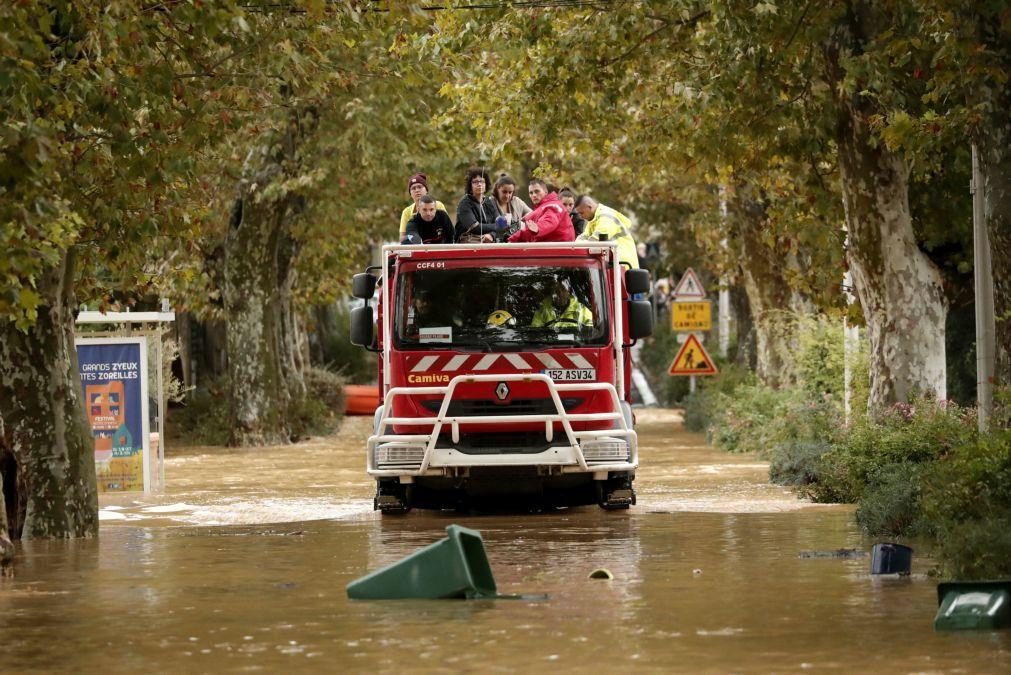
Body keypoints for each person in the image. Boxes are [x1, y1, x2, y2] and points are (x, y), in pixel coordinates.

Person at [573, 195, 639, 269]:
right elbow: (583, 237)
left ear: (589, 207)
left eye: (582, 213)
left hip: (624, 265)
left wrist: (577, 246)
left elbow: (594, 242)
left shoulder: (606, 217)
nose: (580, 216)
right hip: (614, 264)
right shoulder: (593, 220)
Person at [507, 179, 575, 243]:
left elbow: (549, 221)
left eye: (537, 191)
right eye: (531, 193)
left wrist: (538, 228)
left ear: (545, 192)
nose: (534, 195)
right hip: (552, 248)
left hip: (558, 251)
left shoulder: (552, 206)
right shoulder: (545, 206)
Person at [455, 167, 498, 243]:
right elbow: (475, 227)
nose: (479, 184)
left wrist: (492, 235)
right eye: (475, 182)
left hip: (489, 241)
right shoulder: (465, 203)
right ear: (470, 186)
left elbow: (501, 223)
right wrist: (497, 226)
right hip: (469, 242)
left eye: (482, 181)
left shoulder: (490, 202)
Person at [399, 173, 446, 239]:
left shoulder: (439, 205)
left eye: (419, 187)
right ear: (410, 193)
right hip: (416, 247)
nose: (417, 190)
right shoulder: (406, 212)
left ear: (426, 190)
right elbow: (402, 238)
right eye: (413, 188)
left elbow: (447, 229)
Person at [487, 173, 532, 242]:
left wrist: (523, 222)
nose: (507, 196)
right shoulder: (489, 203)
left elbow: (532, 214)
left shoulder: (517, 201)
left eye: (510, 192)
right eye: (504, 192)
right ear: (497, 189)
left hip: (517, 242)